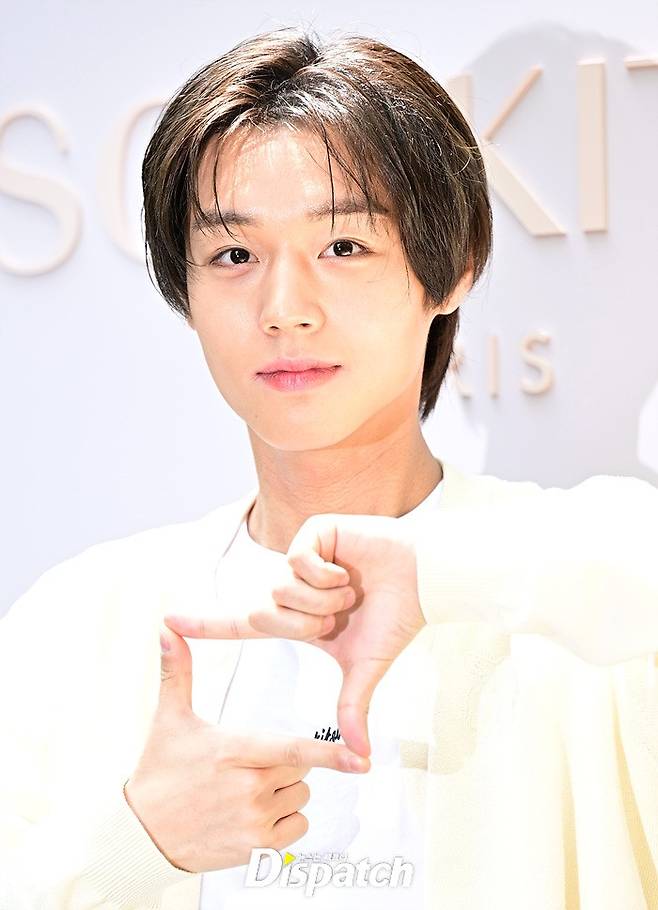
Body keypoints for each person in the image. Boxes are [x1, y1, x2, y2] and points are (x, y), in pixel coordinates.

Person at [1, 24, 657, 910]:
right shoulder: (78, 622)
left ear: (453, 267)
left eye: (343, 247)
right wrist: (137, 843)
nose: (284, 308)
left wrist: (441, 574)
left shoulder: (567, 589)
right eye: (234, 256)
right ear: (184, 292)